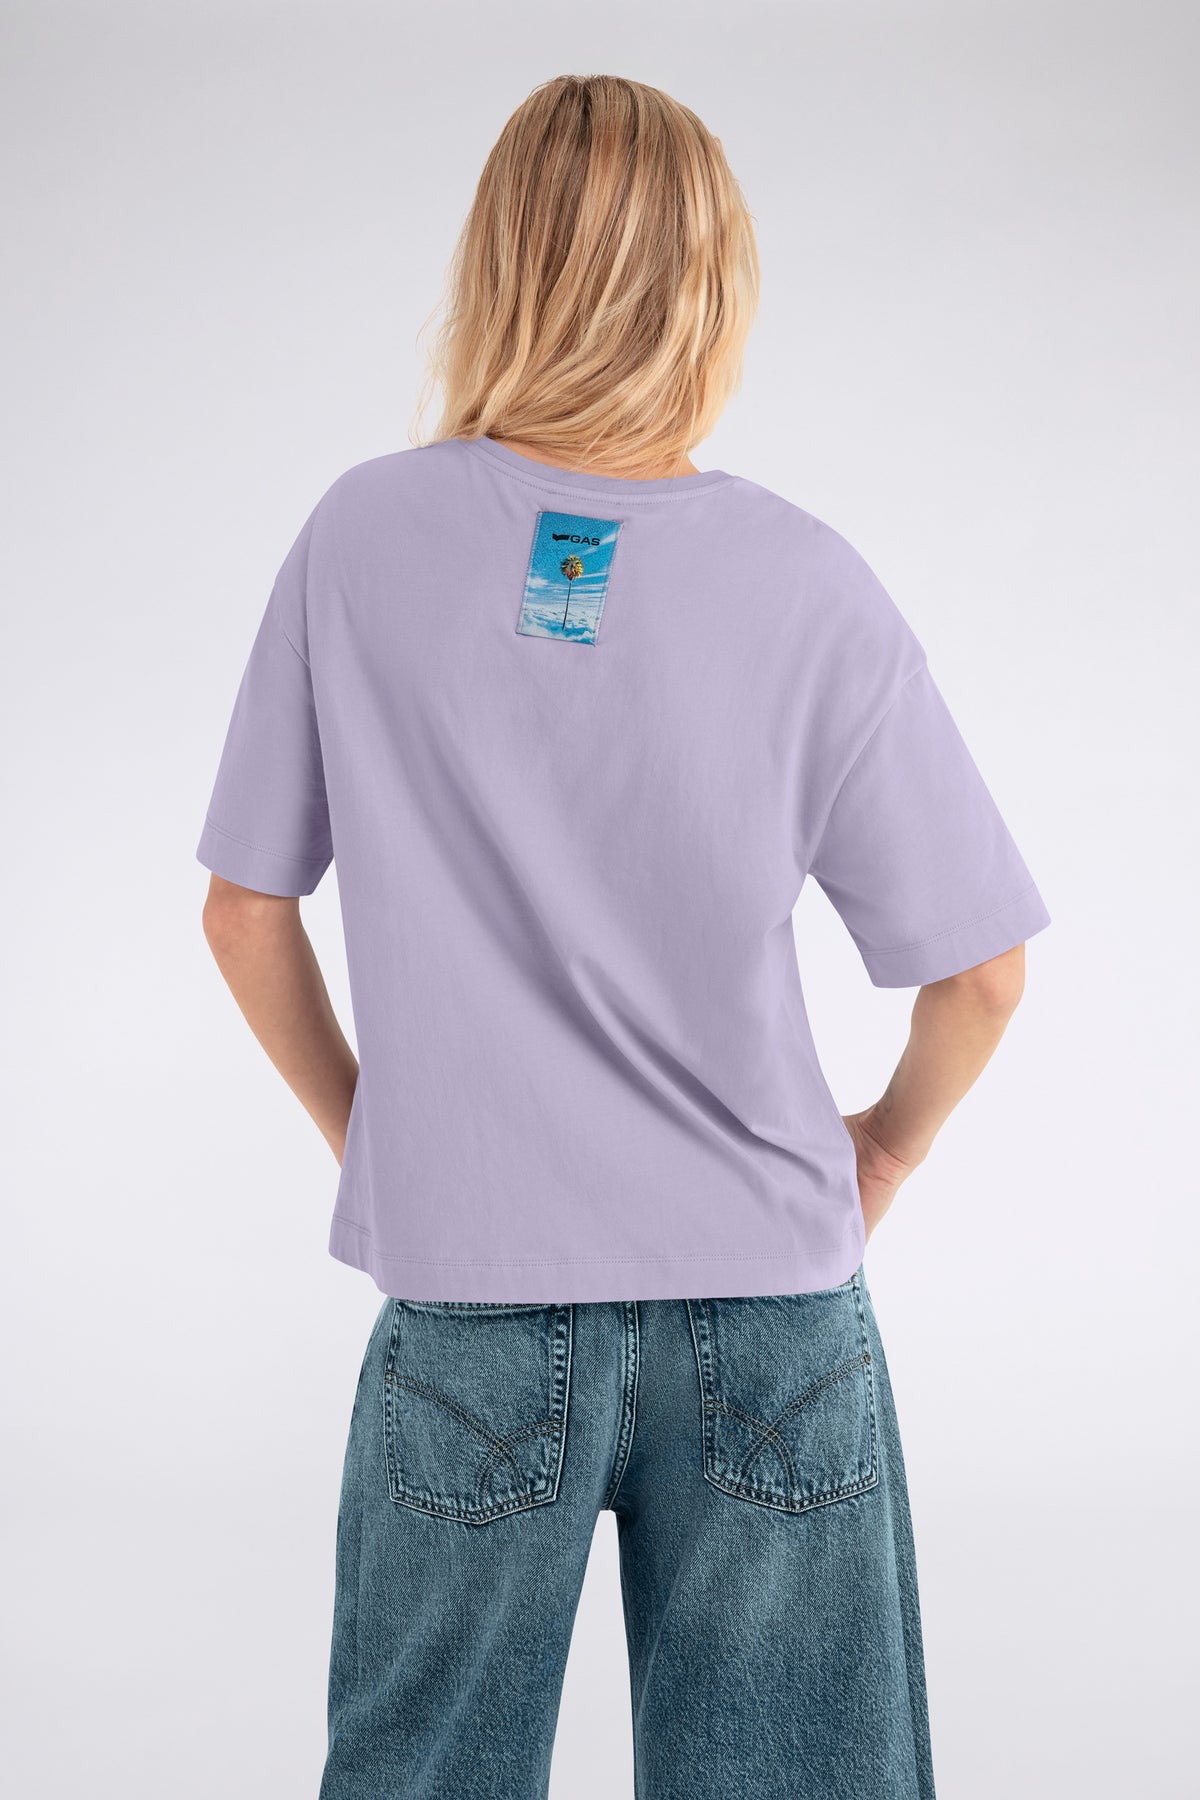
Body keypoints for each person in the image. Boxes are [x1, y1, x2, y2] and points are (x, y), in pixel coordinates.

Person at [196, 73, 1049, 1800]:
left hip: (469, 1311)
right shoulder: (807, 580)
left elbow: (243, 911)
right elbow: (981, 976)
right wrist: (884, 1151)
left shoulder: (360, 537)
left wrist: (389, 1144)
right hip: (771, 1305)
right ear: (715, 286)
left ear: (501, 265)